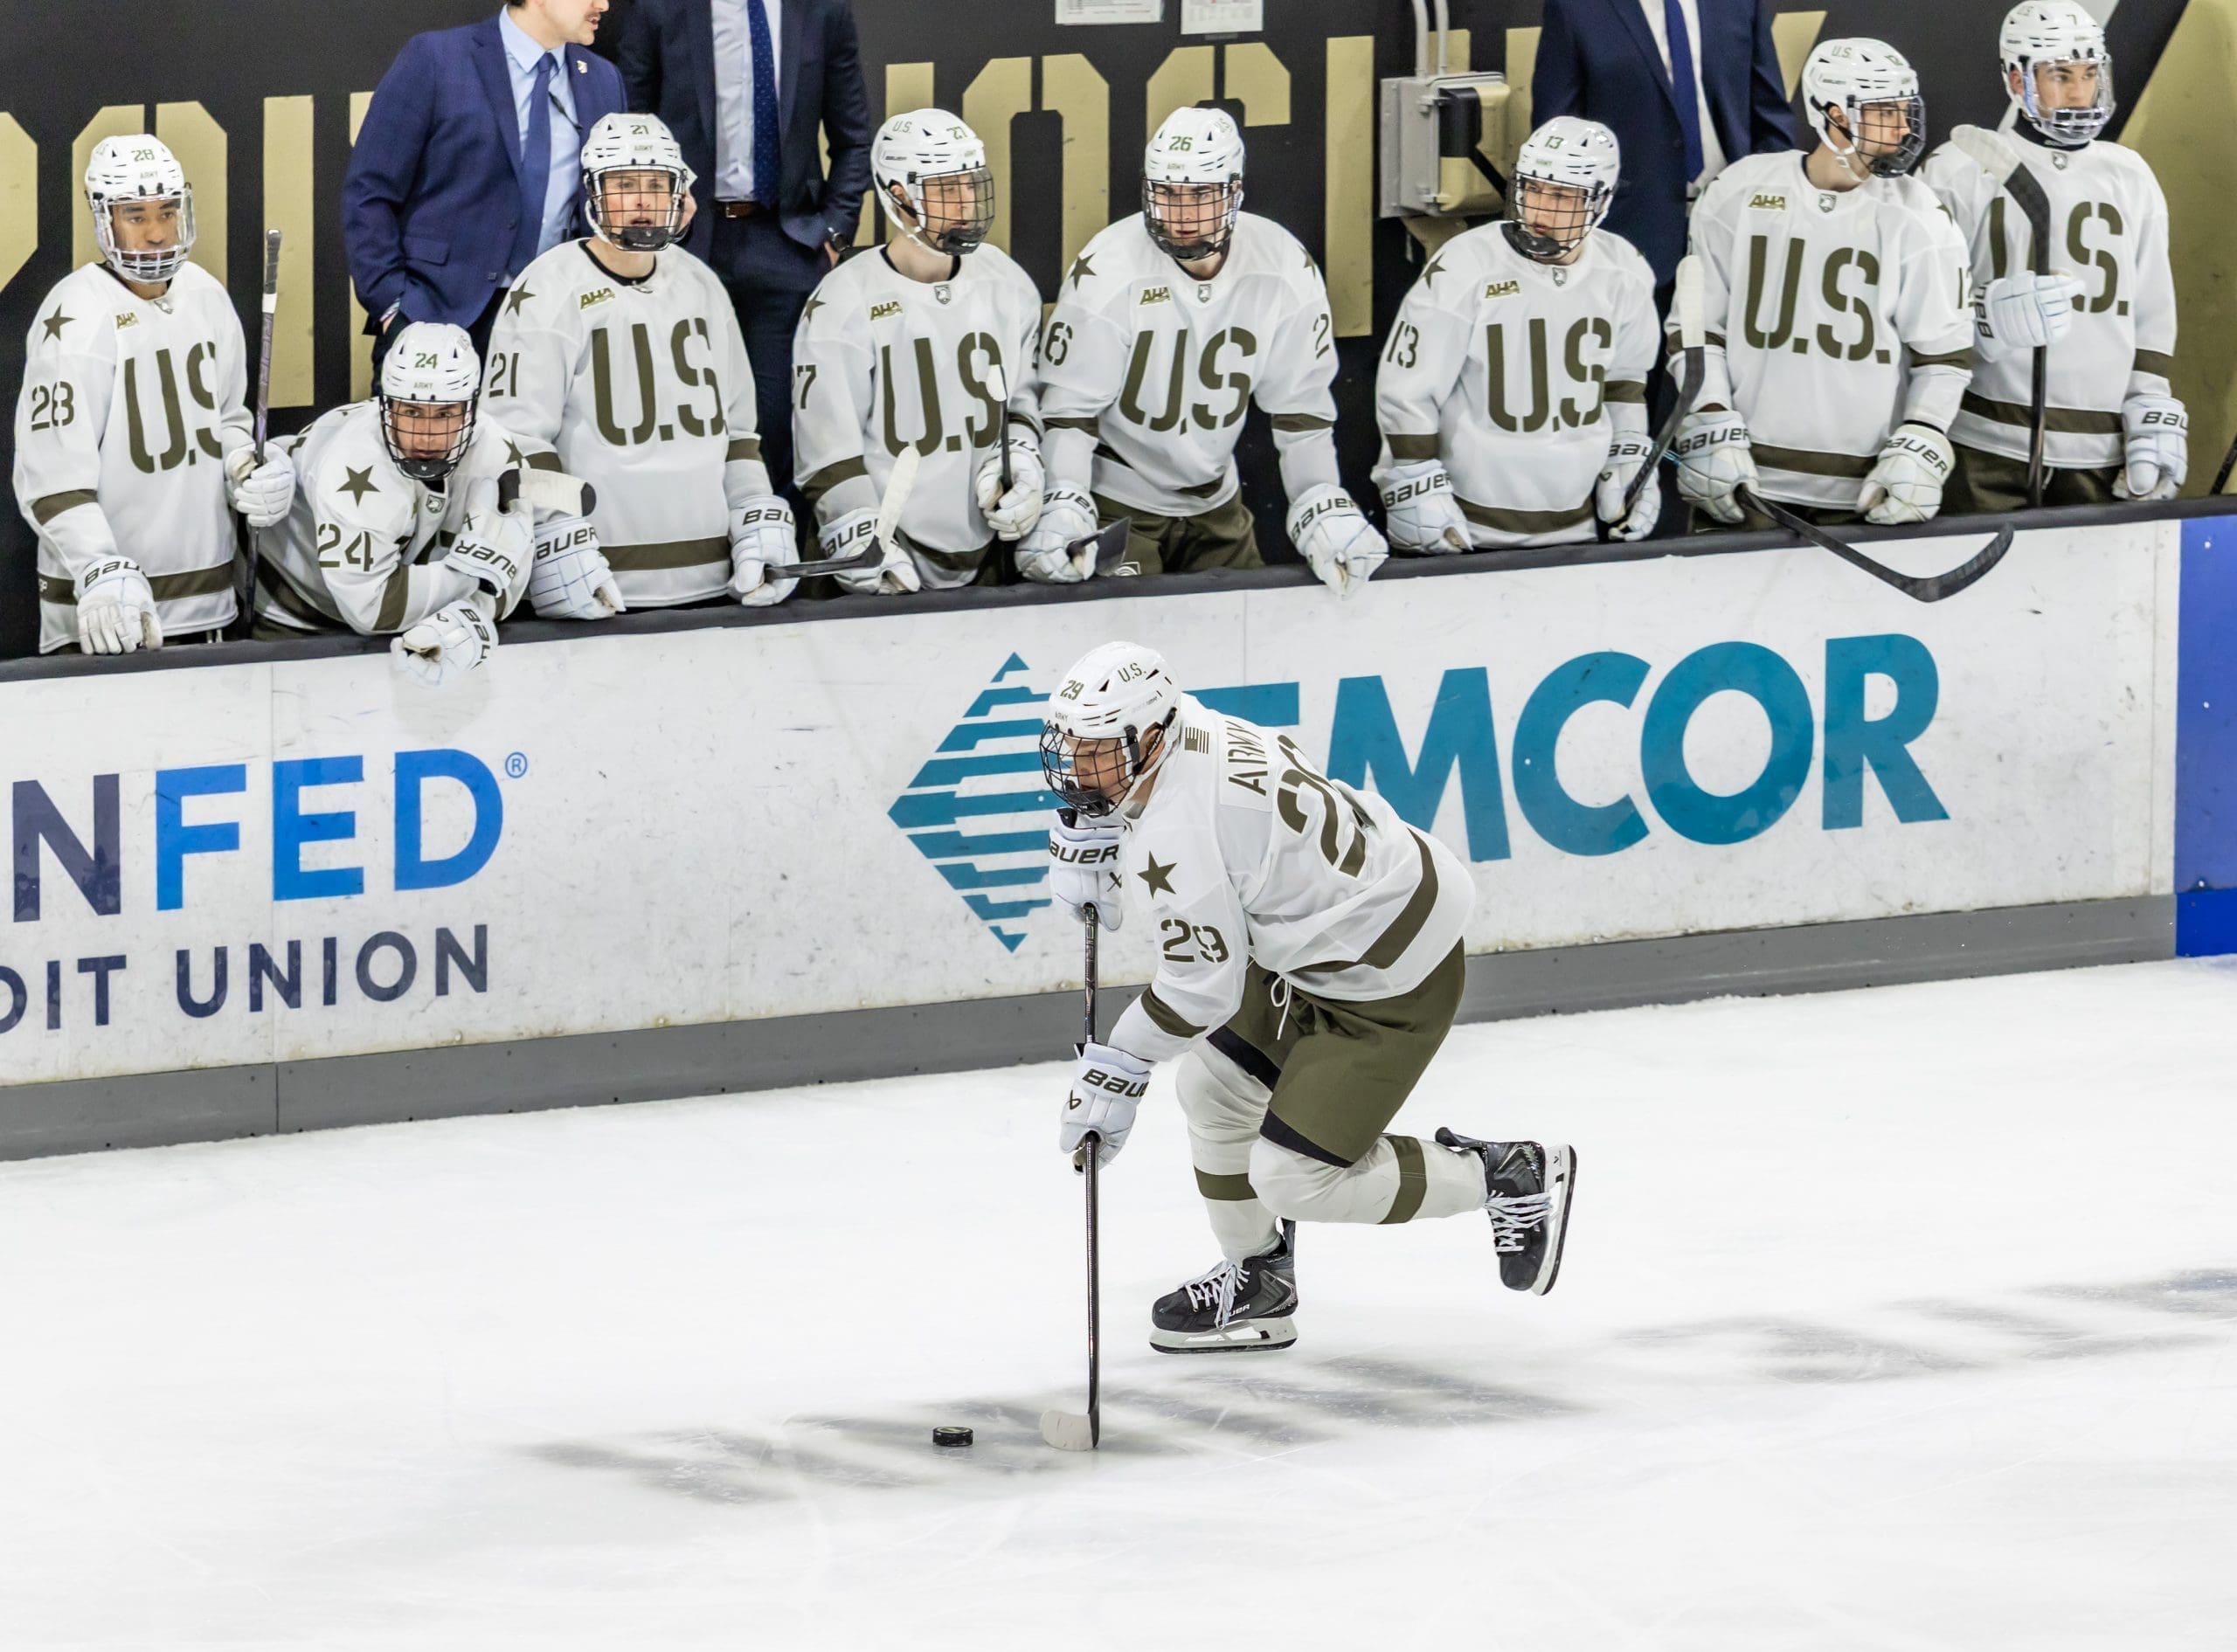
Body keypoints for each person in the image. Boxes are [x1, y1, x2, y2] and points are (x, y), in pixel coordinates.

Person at [1040, 642, 1576, 1353]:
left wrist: (1119, 1065)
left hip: (1389, 972)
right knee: (1212, 1088)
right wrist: (1105, 821)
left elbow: (1201, 988)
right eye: (1073, 745)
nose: (1079, 765)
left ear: (1152, 736)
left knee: (1295, 1178)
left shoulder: (1178, 824)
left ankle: (1507, 1175)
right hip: (1331, 929)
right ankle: (1259, 1284)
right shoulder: (1190, 725)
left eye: (1101, 750)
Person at [1033, 108, 1386, 596]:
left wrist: (1319, 497)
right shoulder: (1110, 267)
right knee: (1125, 650)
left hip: (1218, 502)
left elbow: (1300, 411)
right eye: (1168, 193)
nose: (1181, 215)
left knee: (1248, 645)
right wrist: (1064, 500)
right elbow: (1070, 414)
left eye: (1200, 194)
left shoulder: (1282, 264)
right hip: (1117, 503)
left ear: (1234, 192)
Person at [481, 113, 796, 612]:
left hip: (713, 579)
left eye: (656, 184)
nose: (643, 201)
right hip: (598, 578)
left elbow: (738, 433)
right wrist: (556, 529)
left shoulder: (702, 284)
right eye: (625, 184)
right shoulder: (548, 287)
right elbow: (515, 442)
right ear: (593, 191)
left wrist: (753, 507)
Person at [1673, 39, 1974, 531]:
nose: (1903, 128)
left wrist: (1922, 441)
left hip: (1863, 490)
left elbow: (1944, 356)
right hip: (1745, 478)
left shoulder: (1919, 215)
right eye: (1885, 112)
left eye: (1905, 110)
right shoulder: (1739, 193)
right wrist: (1708, 419)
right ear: (1835, 114)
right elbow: (1697, 330)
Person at [12, 135, 294, 654]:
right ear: (104, 219)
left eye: (166, 212)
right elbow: (51, 478)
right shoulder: (74, 315)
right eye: (135, 216)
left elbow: (226, 420)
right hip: (107, 614)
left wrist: (250, 469)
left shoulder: (207, 296)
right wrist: (99, 566)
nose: (157, 233)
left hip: (210, 605)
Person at [1922, 1, 2184, 511]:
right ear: (2017, 81)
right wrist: (1983, 320)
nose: (2080, 92)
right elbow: (1920, 310)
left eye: (2089, 74)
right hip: (1982, 442)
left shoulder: (2130, 175)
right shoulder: (1960, 166)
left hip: (2099, 448)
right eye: (2060, 75)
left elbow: (2151, 311)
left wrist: (2151, 405)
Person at [618, 0, 874, 505]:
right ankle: (698, 548)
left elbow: (853, 137)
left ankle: (773, 555)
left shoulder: (822, 11)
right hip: (685, 244)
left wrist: (834, 231)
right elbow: (629, 121)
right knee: (675, 413)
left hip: (785, 244)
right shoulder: (658, 9)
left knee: (776, 421)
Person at [1374, 117, 1662, 552]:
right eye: (1533, 189)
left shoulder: (1626, 271)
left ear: (1601, 200)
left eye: (1563, 195)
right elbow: (1407, 393)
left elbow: (1624, 382)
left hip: (1579, 528)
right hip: (1468, 529)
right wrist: (1414, 482)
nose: (1541, 210)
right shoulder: (1466, 266)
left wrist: (1628, 457)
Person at [791, 110, 1048, 593]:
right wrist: (860, 531)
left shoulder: (1007, 283)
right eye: (946, 188)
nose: (965, 203)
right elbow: (827, 451)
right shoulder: (843, 300)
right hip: (888, 553)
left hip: (988, 549)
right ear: (898, 193)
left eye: (970, 185)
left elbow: (1021, 404)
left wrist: (1023, 465)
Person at [345, 1, 627, 369]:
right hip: (438, 315)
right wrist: (394, 308)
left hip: (560, 326)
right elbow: (370, 191)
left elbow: (602, 207)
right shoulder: (436, 58)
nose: (602, 4)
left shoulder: (603, 80)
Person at [253, 323, 533, 688]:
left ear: (471, 410)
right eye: (412, 412)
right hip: (295, 611)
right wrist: (470, 578)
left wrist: (472, 613)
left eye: (445, 414)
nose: (426, 437)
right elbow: (373, 608)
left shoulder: (496, 449)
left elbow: (513, 571)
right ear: (386, 404)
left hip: (396, 610)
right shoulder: (354, 463)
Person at [1532, 0, 1794, 293]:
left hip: (1735, 230)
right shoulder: (1574, 8)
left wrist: (1773, 210)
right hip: (1629, 236)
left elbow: (1770, 115)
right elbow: (1557, 134)